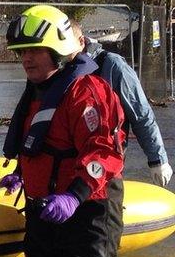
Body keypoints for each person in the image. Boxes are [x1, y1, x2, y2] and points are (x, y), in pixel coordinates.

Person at [0, 4, 124, 257]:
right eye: (22, 52)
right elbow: (42, 144)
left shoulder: (87, 93)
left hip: (87, 212)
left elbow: (103, 152)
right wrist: (21, 174)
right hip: (43, 212)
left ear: (57, 52)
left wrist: (73, 196)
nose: (26, 59)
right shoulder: (39, 92)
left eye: (34, 51)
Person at [71, 22, 171, 187]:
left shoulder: (112, 65)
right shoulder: (57, 68)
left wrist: (157, 160)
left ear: (81, 41)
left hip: (104, 162)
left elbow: (140, 113)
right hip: (68, 161)